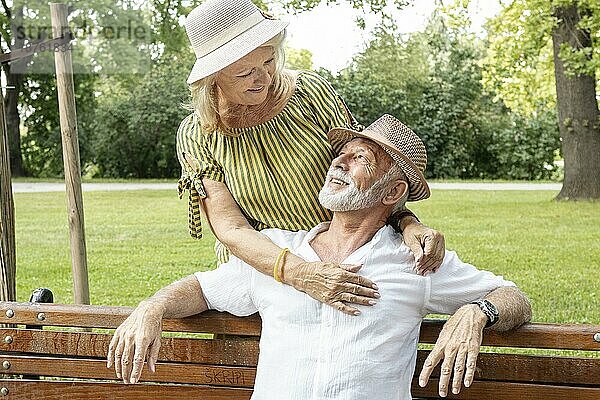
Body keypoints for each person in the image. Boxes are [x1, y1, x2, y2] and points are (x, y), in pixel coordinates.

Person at [109, 115, 531, 399]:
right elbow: (201, 289)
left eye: (360, 158)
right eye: (341, 154)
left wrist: (476, 313)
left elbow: (515, 298)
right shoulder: (278, 251)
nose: (339, 163)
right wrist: (153, 307)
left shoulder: (415, 262)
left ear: (392, 193)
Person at [176, 0, 447, 314]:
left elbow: (367, 173)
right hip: (260, 275)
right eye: (245, 72)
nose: (263, 78)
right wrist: (300, 273)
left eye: (268, 61)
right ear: (213, 78)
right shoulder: (197, 135)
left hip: (341, 261)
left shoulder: (310, 93)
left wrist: (408, 223)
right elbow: (230, 228)